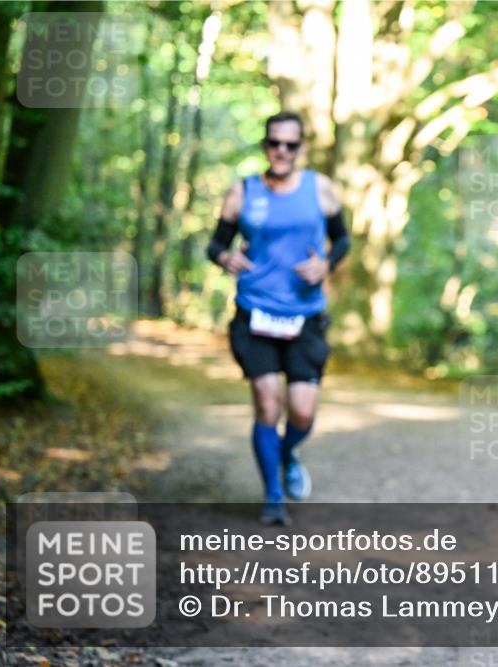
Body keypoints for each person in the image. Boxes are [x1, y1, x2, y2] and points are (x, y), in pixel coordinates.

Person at [206, 111, 350, 526]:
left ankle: (288, 454)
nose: (281, 151)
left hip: (305, 317)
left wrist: (326, 264)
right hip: (256, 314)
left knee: (302, 413)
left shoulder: (320, 189)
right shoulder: (243, 191)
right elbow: (215, 244)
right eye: (274, 143)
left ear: (302, 147)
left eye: (290, 144)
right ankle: (273, 497)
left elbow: (342, 239)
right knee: (267, 403)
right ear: (265, 146)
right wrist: (224, 256)